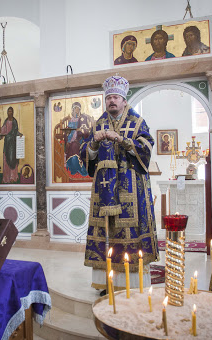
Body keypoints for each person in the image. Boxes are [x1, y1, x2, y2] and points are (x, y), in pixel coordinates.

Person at [79, 75, 158, 294]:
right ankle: (108, 282)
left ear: (124, 100)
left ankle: (131, 284)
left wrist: (121, 140)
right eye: (109, 97)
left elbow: (146, 149)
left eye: (116, 97)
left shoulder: (138, 122)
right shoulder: (99, 123)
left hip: (131, 187)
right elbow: (86, 154)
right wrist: (94, 142)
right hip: (104, 192)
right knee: (106, 232)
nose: (112, 101)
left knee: (128, 232)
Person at [64, 102, 93, 176]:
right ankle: (73, 168)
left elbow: (85, 129)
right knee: (72, 146)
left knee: (75, 146)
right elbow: (68, 131)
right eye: (75, 109)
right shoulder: (71, 120)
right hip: (72, 139)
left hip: (81, 139)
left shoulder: (82, 118)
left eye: (78, 109)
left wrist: (80, 130)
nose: (76, 110)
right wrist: (73, 132)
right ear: (73, 110)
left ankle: (79, 168)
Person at [0, 106, 22, 183]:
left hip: (13, 144)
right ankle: (6, 178)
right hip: (7, 144)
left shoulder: (14, 121)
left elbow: (15, 131)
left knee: (13, 159)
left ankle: (13, 177)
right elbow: (1, 131)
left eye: (11, 111)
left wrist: (19, 134)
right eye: (8, 111)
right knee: (6, 159)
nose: (9, 113)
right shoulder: (6, 121)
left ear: (13, 112)